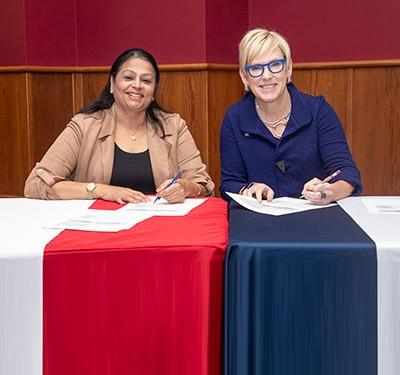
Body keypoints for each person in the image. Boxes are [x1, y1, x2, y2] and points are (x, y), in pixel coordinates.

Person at [24, 48, 214, 204]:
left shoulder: (174, 126)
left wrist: (185, 187)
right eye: (129, 77)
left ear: (154, 91)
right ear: (112, 84)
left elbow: (204, 185)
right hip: (97, 231)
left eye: (146, 81)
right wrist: (101, 190)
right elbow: (35, 184)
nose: (137, 85)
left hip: (159, 228)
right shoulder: (84, 126)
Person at [220, 28, 361, 204]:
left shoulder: (318, 110)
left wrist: (329, 192)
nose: (267, 76)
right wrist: (248, 189)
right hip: (261, 222)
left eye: (275, 65)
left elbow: (348, 173)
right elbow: (228, 184)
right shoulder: (234, 118)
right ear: (244, 77)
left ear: (288, 68)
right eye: (256, 68)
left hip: (315, 218)